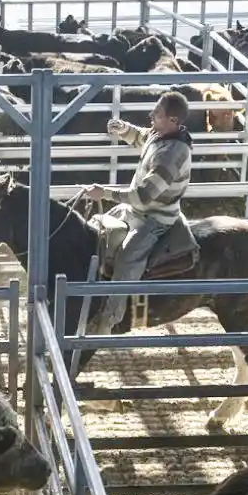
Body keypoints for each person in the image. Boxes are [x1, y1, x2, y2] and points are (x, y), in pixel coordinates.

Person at [80, 90, 194, 334]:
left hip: (154, 219)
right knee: (95, 230)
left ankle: (107, 323)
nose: (152, 115)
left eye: (158, 113)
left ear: (173, 120)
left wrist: (106, 193)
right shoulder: (161, 135)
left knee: (126, 261)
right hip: (136, 210)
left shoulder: (174, 154)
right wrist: (124, 128)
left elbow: (144, 196)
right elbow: (142, 136)